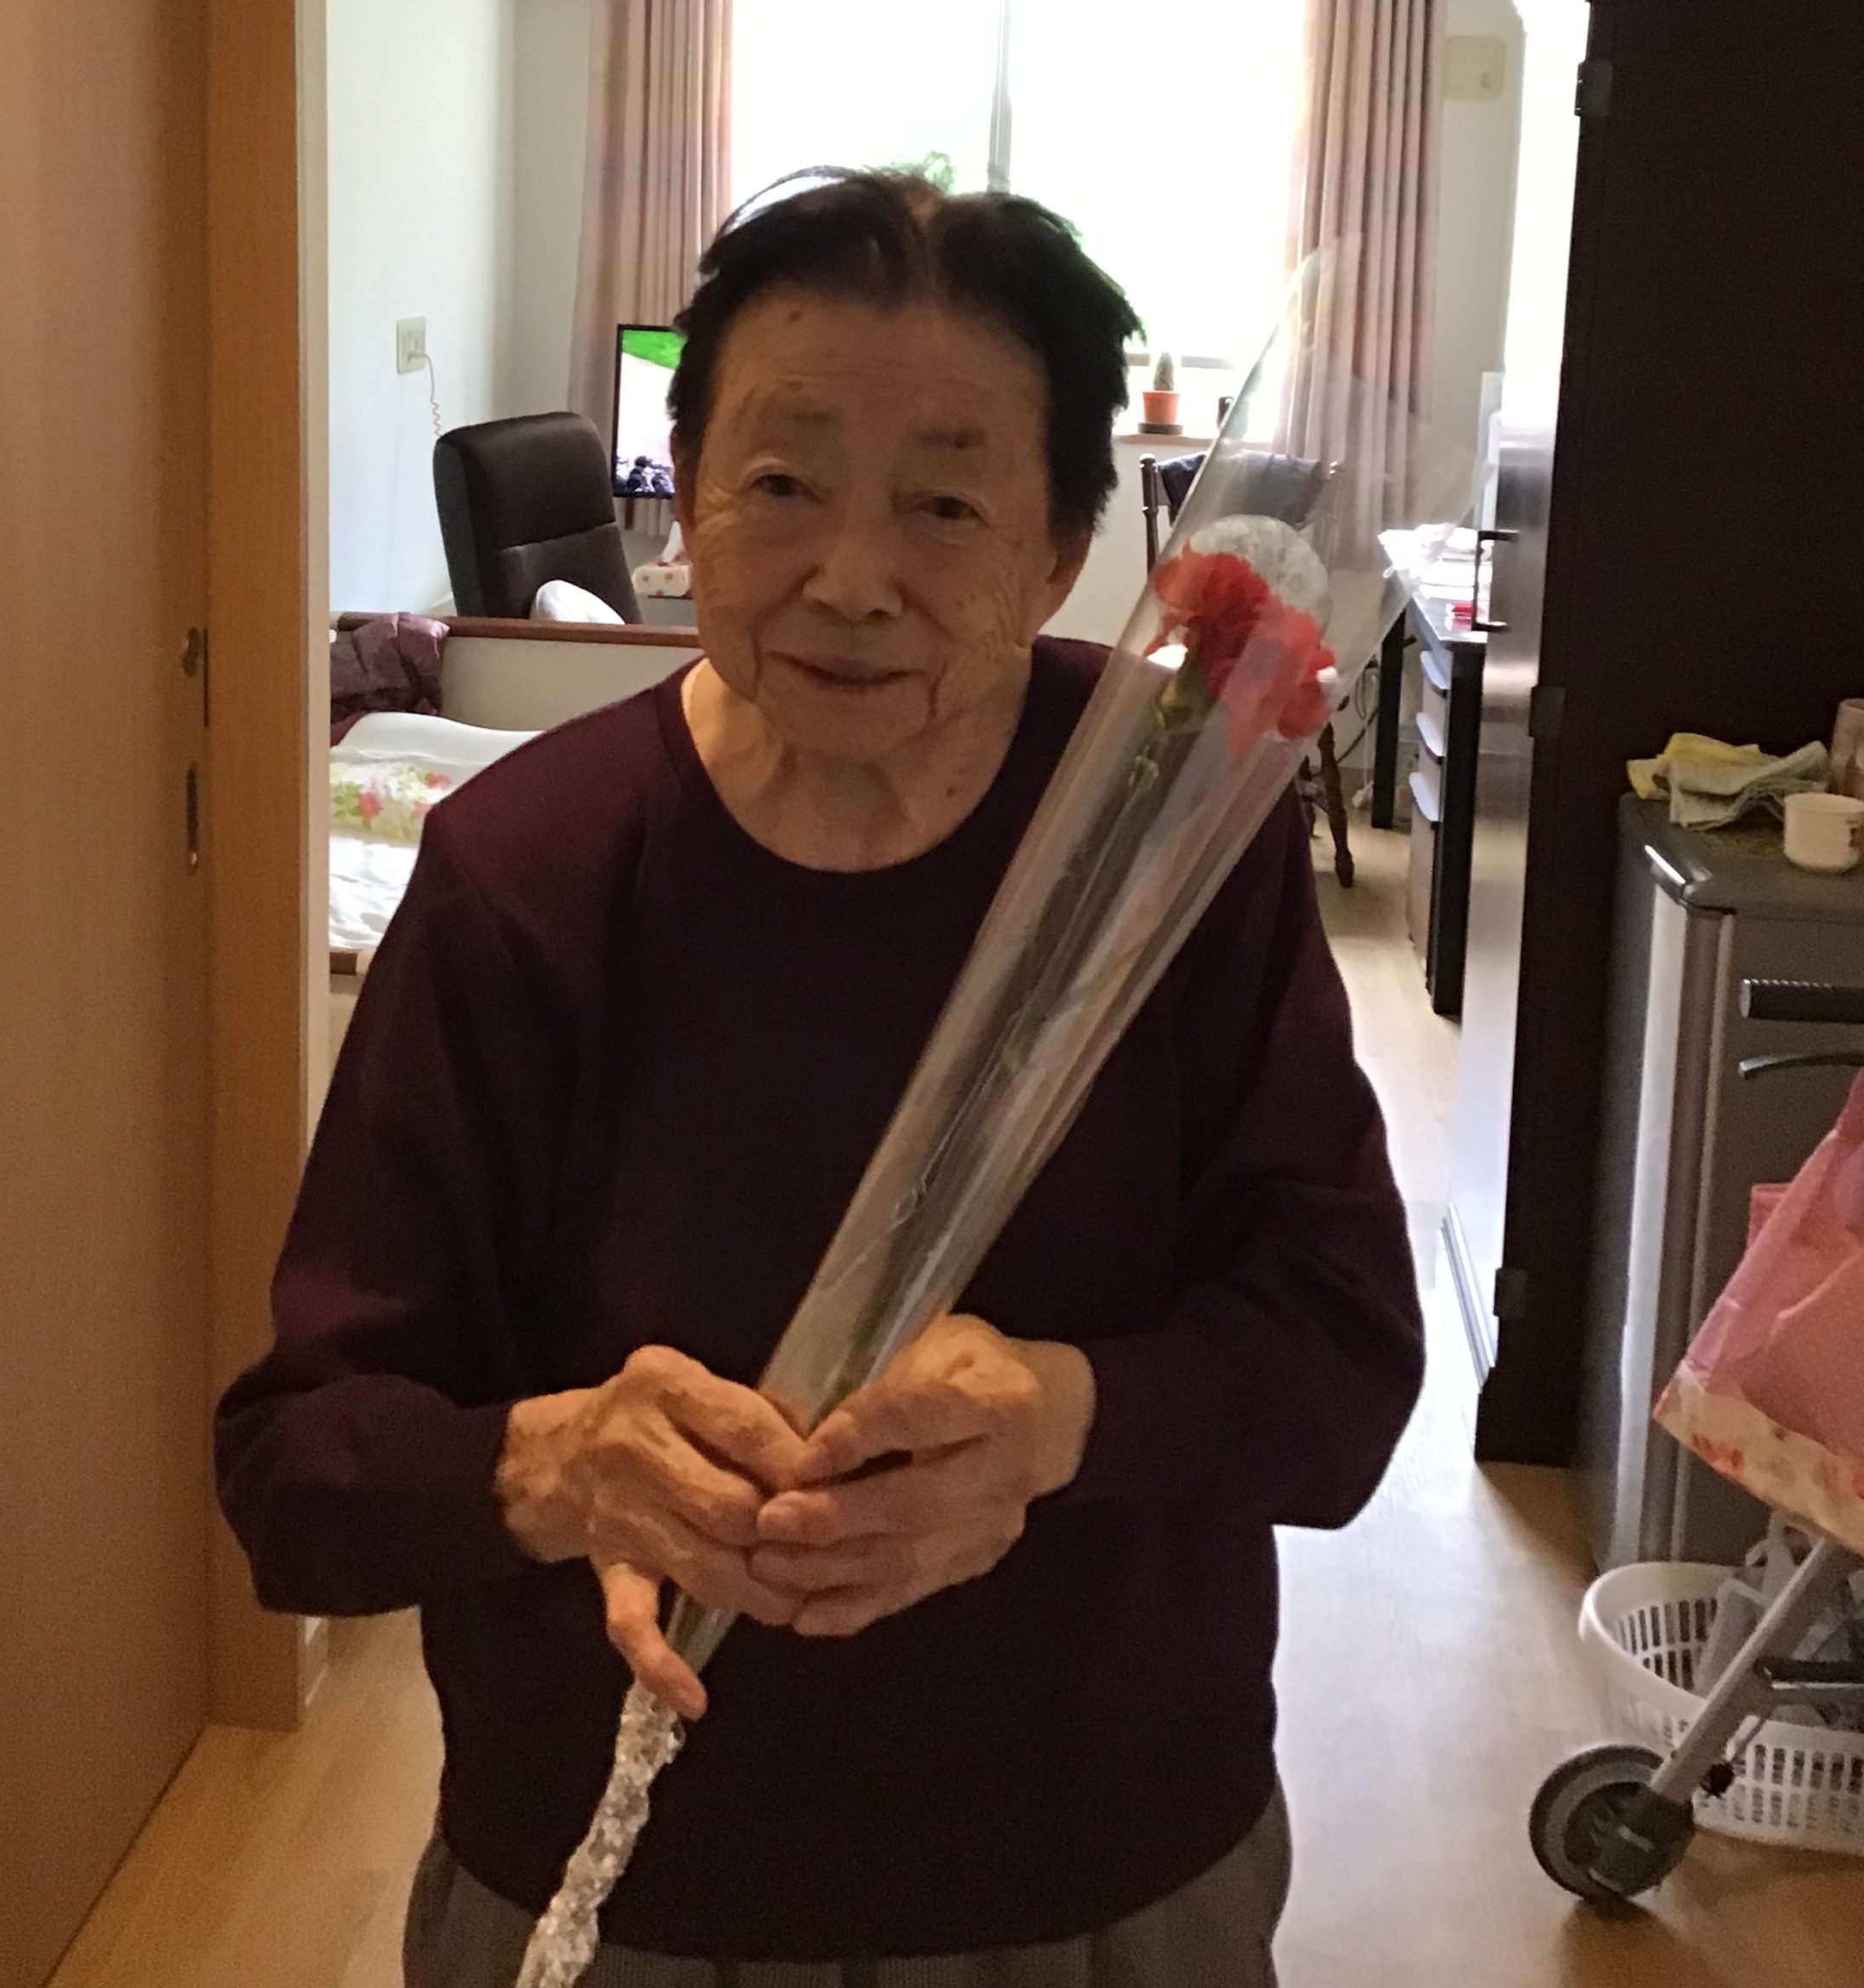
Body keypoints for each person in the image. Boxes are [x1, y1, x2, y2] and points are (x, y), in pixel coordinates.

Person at [216, 170, 1425, 1988]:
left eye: (944, 503)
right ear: (687, 497)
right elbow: (300, 1468)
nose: (851, 579)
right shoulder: (523, 879)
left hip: (1104, 1875)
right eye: (781, 483)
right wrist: (556, 1465)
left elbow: (1341, 1372)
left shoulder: (1171, 843)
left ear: (1060, 549)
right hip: (625, 1893)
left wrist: (1061, 1417)